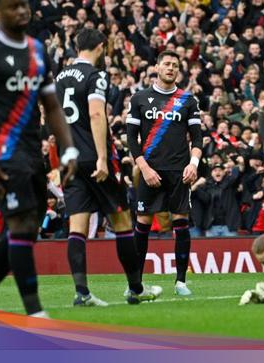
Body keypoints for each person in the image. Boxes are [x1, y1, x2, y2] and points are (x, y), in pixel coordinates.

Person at [0, 0, 78, 317]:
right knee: (22, 223)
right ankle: (34, 312)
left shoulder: (37, 50)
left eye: (24, 5)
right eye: (13, 7)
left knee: (26, 230)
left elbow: (52, 105)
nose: (22, 11)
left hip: (31, 152)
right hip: (0, 154)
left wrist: (68, 149)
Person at [55, 28, 160, 306]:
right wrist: (103, 157)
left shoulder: (60, 77)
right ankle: (136, 288)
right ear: (101, 46)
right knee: (122, 221)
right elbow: (96, 112)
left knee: (77, 226)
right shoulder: (95, 76)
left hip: (69, 159)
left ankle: (82, 292)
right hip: (94, 157)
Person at [126, 50, 203, 296]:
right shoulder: (139, 98)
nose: (171, 68)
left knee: (181, 223)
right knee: (143, 223)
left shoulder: (188, 100)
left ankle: (181, 281)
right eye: (167, 64)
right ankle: (135, 284)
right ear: (157, 67)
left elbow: (198, 138)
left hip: (180, 172)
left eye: (175, 65)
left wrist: (193, 164)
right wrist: (144, 168)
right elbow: (131, 139)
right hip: (150, 172)